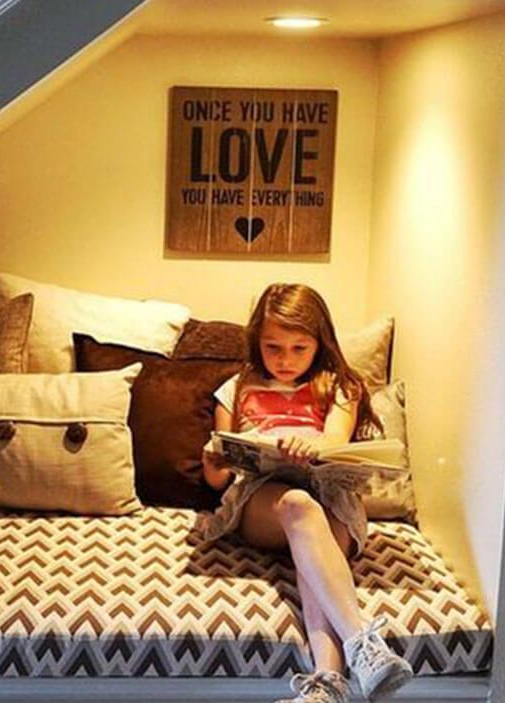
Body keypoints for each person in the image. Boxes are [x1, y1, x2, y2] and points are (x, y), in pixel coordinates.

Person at [198, 283, 413, 703]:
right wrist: (213, 460)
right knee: (297, 506)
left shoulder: (340, 387)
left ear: (321, 343)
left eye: (299, 348)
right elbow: (218, 482)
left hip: (329, 499)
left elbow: (334, 440)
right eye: (273, 347)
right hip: (265, 501)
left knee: (312, 542)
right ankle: (363, 644)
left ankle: (327, 685)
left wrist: (311, 446)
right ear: (256, 341)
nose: (284, 360)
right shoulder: (236, 388)